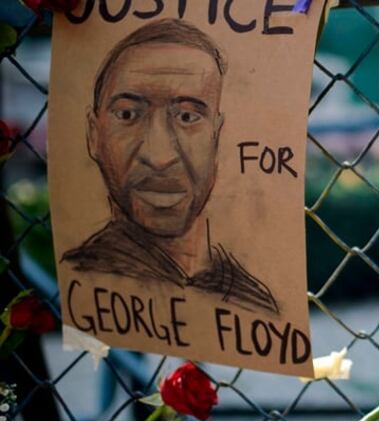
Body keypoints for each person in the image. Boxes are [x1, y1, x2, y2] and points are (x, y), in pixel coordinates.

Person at [62, 18, 279, 316]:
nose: (159, 156)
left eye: (188, 117)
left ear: (218, 136)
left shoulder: (255, 300)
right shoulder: (80, 279)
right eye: (127, 114)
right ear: (93, 135)